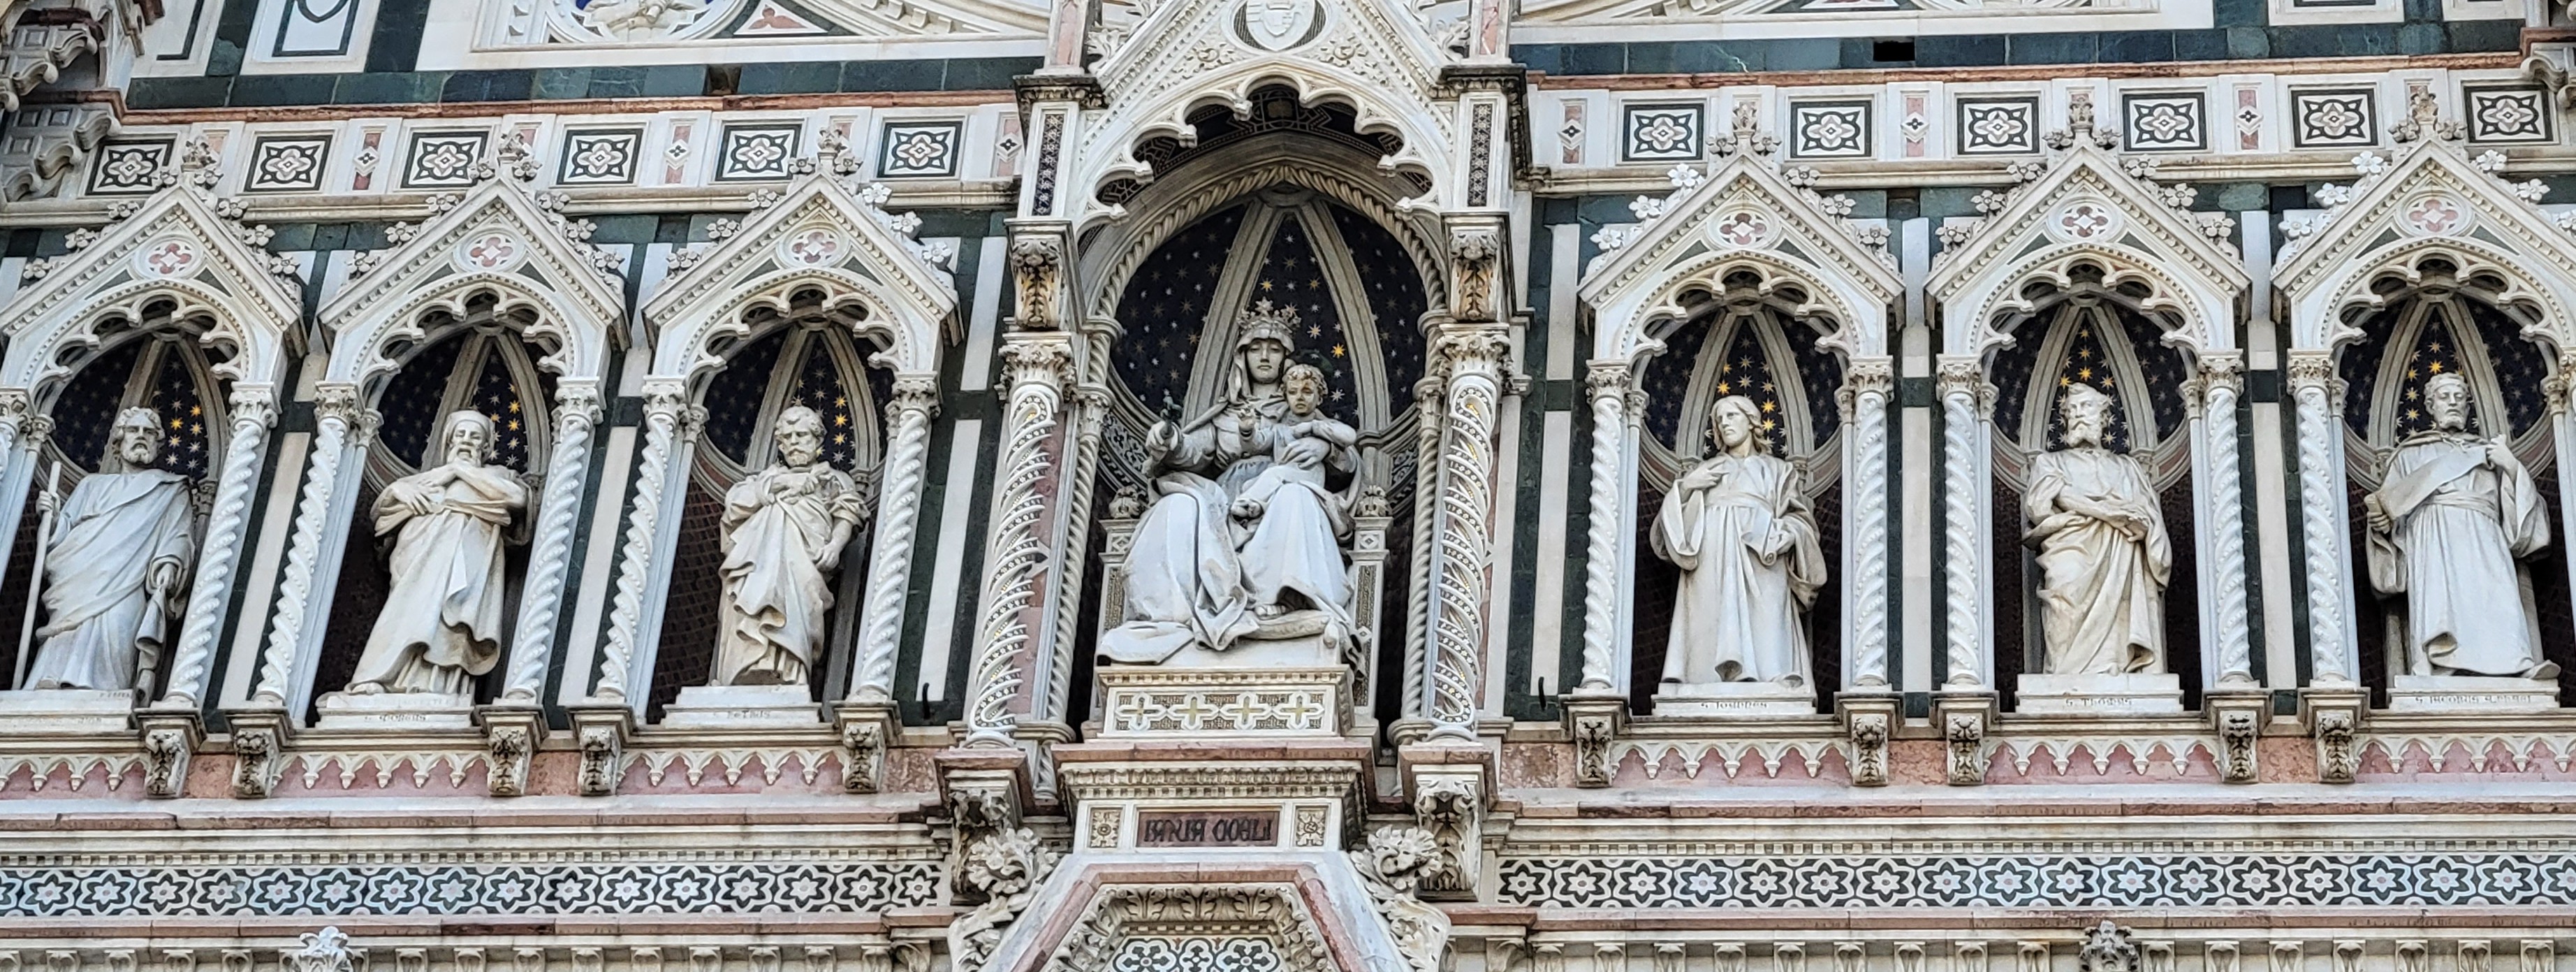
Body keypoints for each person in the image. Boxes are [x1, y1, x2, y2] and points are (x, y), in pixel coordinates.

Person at [1100, 304, 1355, 665]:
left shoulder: (1303, 410)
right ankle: (1170, 617)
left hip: (1280, 495)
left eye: (1275, 348)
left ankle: (1279, 601)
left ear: (1286, 358)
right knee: (1177, 506)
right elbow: (1195, 452)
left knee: (1293, 497)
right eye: (1255, 348)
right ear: (1242, 356)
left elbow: (1348, 459)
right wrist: (1170, 438)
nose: (1264, 356)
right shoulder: (1226, 415)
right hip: (1223, 499)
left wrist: (1325, 446)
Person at [2364, 372, 2557, 679]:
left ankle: (2516, 665)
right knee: (2442, 604)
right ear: (2430, 405)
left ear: (2469, 407)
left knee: (2497, 598)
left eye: (2459, 397)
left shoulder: (2489, 454)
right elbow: (2389, 510)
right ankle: (2440, 665)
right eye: (2444, 397)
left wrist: (2510, 465)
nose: (2453, 403)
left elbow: (2525, 523)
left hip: (2484, 534)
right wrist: (2381, 525)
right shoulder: (2410, 454)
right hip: (2433, 535)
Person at [1652, 396, 1825, 688]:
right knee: (1712, 619)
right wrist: (1686, 489)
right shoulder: (1705, 472)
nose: (1725, 424)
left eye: (1731, 416)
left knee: (1768, 615)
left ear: (1752, 421)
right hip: (1712, 555)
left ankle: (1773, 674)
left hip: (1762, 553)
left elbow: (1801, 520)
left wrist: (1786, 534)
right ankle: (1703, 678)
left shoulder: (1778, 471)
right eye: (1719, 421)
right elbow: (1663, 536)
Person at [349, 411, 525, 696]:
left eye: (475, 436)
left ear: (486, 447)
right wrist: (397, 490)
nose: (466, 441)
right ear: (449, 440)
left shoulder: (498, 477)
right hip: (418, 560)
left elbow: (515, 499)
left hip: (468, 562)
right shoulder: (425, 480)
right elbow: (381, 516)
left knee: (449, 621)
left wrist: (459, 471)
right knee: (408, 610)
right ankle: (380, 677)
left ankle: (439, 690)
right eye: (461, 434)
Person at [22, 407, 195, 692]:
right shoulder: (91, 485)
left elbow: (179, 534)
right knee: (66, 634)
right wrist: (52, 517)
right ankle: (50, 681)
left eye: (149, 432)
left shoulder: (170, 490)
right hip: (80, 580)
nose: (141, 436)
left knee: (117, 630)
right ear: (119, 441)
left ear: (158, 444)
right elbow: (59, 539)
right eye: (134, 430)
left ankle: (104, 689)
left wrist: (169, 564)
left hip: (129, 584)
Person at [712, 405, 865, 686]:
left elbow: (850, 513)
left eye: (802, 435)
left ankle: (789, 672)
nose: (794, 442)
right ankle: (746, 666)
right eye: (788, 437)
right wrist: (774, 487)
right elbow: (733, 508)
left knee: (800, 605)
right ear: (780, 445)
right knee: (748, 601)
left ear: (818, 440)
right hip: (758, 561)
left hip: (802, 562)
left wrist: (833, 545)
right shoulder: (762, 480)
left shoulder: (832, 479)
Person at [2023, 384, 2170, 676]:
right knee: (2064, 601)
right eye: (2072, 410)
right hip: (2071, 549)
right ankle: (2065, 676)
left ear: (2104, 418)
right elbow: (2044, 505)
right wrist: (2108, 513)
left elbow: (2148, 514)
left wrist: (2145, 532)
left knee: (2121, 613)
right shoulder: (2051, 462)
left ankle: (2120, 667)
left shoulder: (2128, 468)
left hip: (2122, 555)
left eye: (2086, 407)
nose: (2078, 415)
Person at [1232, 363, 1356, 624]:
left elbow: (1349, 442)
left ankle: (1251, 504)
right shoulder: (1280, 430)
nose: (1300, 397)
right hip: (1280, 494)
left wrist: (1317, 434)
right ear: (1285, 395)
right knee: (1277, 482)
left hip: (1309, 489)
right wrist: (1246, 428)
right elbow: (1256, 443)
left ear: (1319, 397)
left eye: (1307, 391)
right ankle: (1270, 593)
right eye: (1294, 391)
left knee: (1280, 483)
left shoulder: (1327, 428)